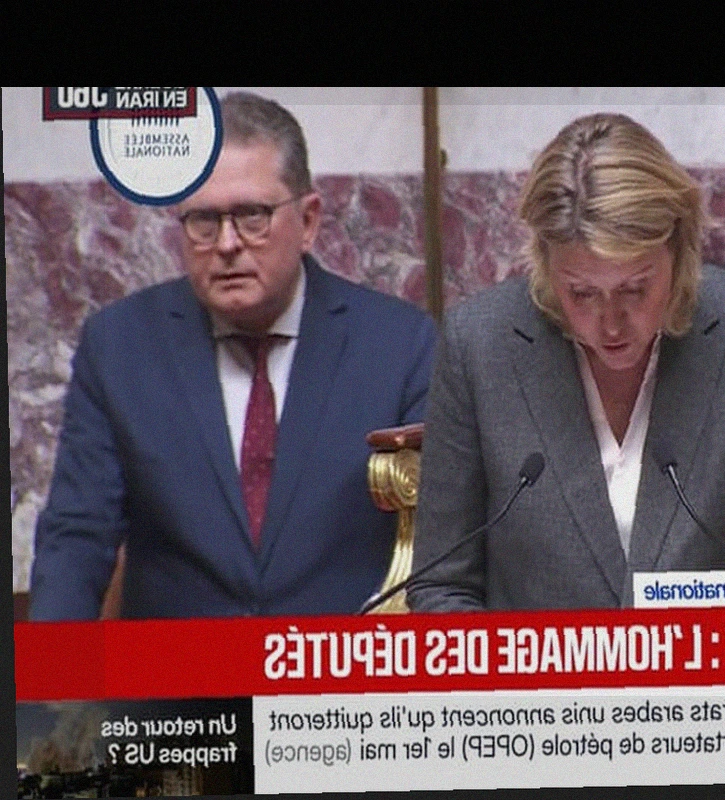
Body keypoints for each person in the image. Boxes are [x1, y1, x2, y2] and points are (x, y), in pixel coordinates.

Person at [407, 113, 725, 612]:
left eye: (635, 289)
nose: (611, 324)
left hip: (706, 661)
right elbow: (442, 586)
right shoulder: (481, 344)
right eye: (582, 293)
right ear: (544, 263)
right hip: (536, 663)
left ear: (679, 252)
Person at [28, 92, 437, 619]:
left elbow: (441, 545)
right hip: (177, 669)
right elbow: (77, 538)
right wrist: (54, 666)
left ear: (309, 220)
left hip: (336, 668)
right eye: (203, 219)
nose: (226, 244)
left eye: (252, 215)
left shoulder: (399, 345)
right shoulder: (121, 346)